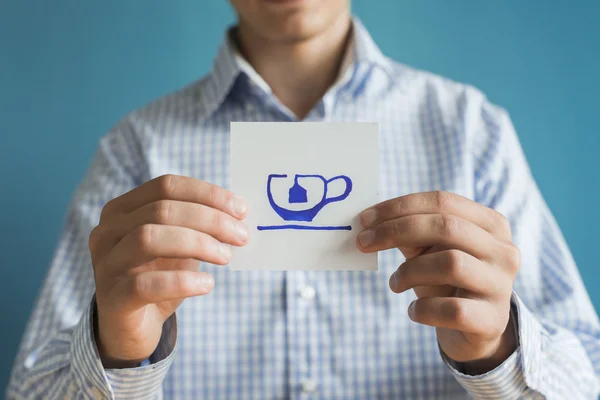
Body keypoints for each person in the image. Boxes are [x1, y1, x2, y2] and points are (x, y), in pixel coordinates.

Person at [7, 0, 600, 398]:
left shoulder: (470, 131)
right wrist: (118, 354)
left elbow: (590, 373)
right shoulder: (136, 151)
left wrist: (498, 351)